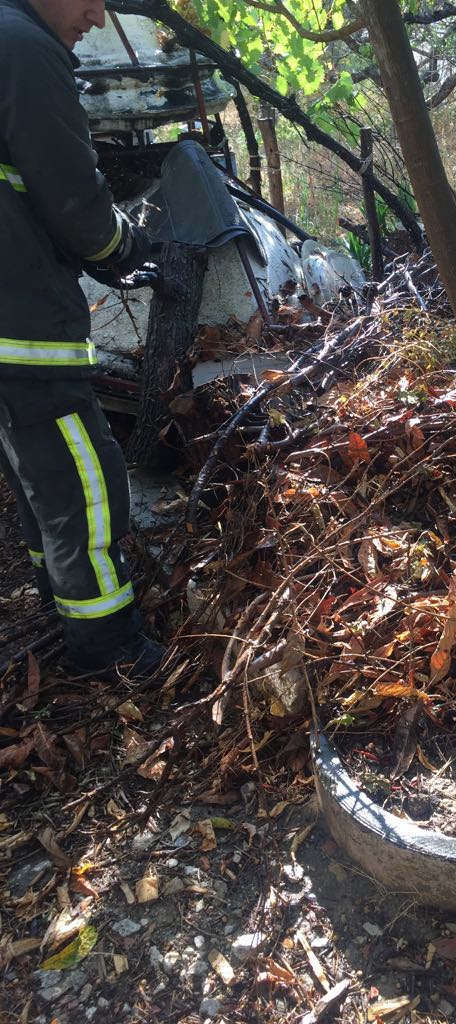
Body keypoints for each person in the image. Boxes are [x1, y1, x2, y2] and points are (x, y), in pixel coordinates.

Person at [0, 0, 165, 680]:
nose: (98, 16)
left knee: (41, 482)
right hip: (22, 327)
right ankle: (110, 649)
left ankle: (60, 603)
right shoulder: (22, 46)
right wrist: (128, 249)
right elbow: (74, 200)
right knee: (85, 483)